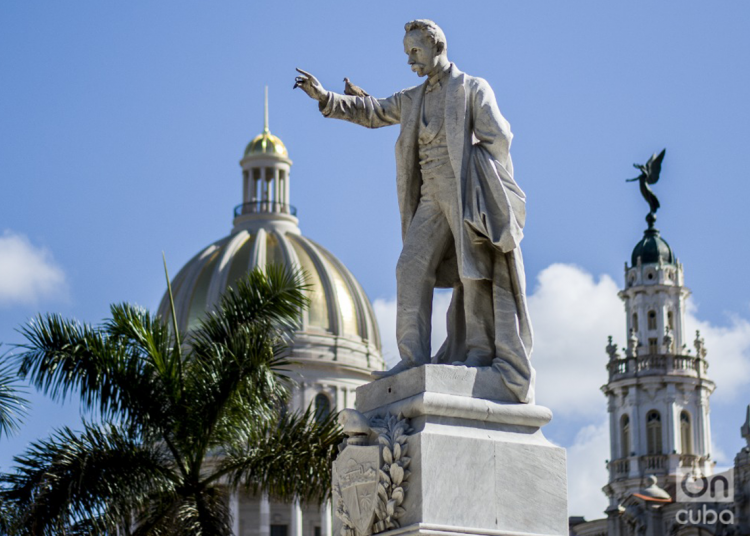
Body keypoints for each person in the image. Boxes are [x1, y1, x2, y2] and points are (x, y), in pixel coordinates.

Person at [294, 19, 534, 403]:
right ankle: (412, 357)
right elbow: (375, 111)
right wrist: (324, 98)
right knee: (410, 267)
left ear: (436, 46)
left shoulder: (472, 88)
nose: (410, 62)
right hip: (430, 196)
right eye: (407, 54)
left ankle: (477, 352)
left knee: (473, 271)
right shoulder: (413, 97)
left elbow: (499, 137)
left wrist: (481, 176)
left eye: (415, 52)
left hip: (462, 190)